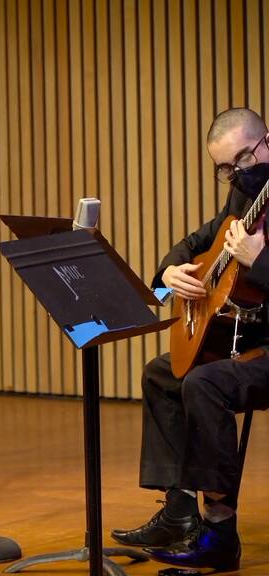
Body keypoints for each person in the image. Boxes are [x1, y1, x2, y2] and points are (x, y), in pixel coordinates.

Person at [111, 107, 269, 571]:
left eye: (244, 159)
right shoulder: (245, 193)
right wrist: (169, 273)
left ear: (267, 141)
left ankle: (219, 532)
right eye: (226, 168)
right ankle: (178, 514)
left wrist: (259, 261)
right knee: (162, 374)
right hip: (252, 337)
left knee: (204, 383)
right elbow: (199, 241)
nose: (237, 174)